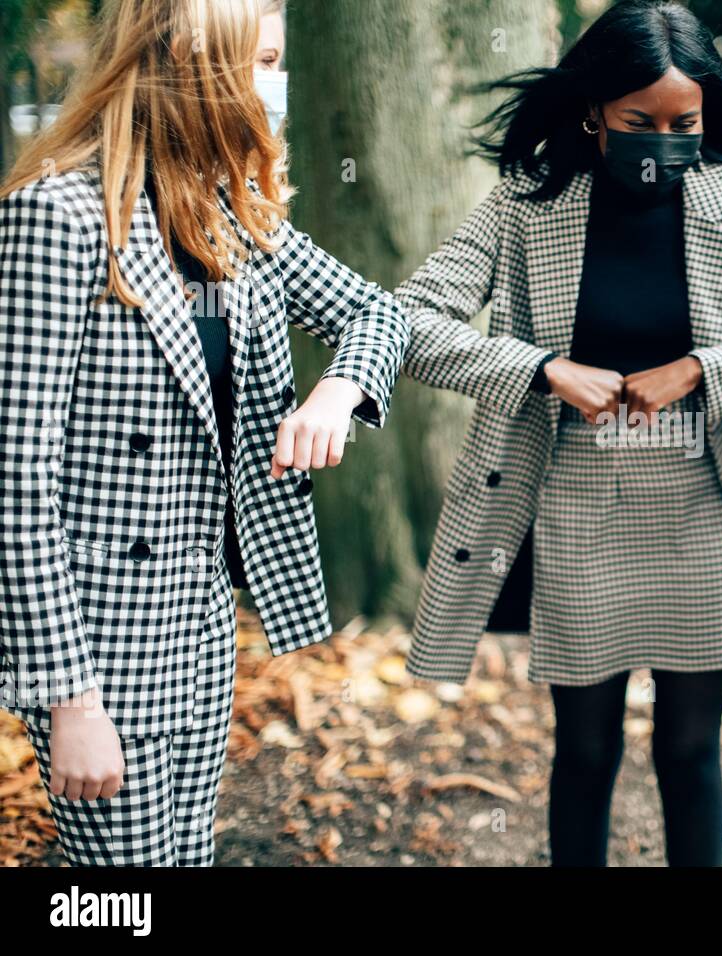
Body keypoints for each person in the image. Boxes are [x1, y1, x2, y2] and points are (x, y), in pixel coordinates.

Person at [397, 0, 722, 867]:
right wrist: (540, 369)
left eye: (686, 123)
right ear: (594, 110)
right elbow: (413, 322)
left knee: (690, 750)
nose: (666, 141)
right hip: (577, 512)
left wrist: (702, 371)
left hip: (704, 511)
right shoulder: (528, 205)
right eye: (640, 122)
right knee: (587, 750)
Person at [0, 0, 409, 866]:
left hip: (202, 624)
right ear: (187, 58)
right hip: (99, 643)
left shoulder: (230, 212)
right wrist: (67, 699)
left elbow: (375, 312)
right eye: (261, 61)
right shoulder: (58, 217)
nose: (277, 85)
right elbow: (15, 490)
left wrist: (338, 390)